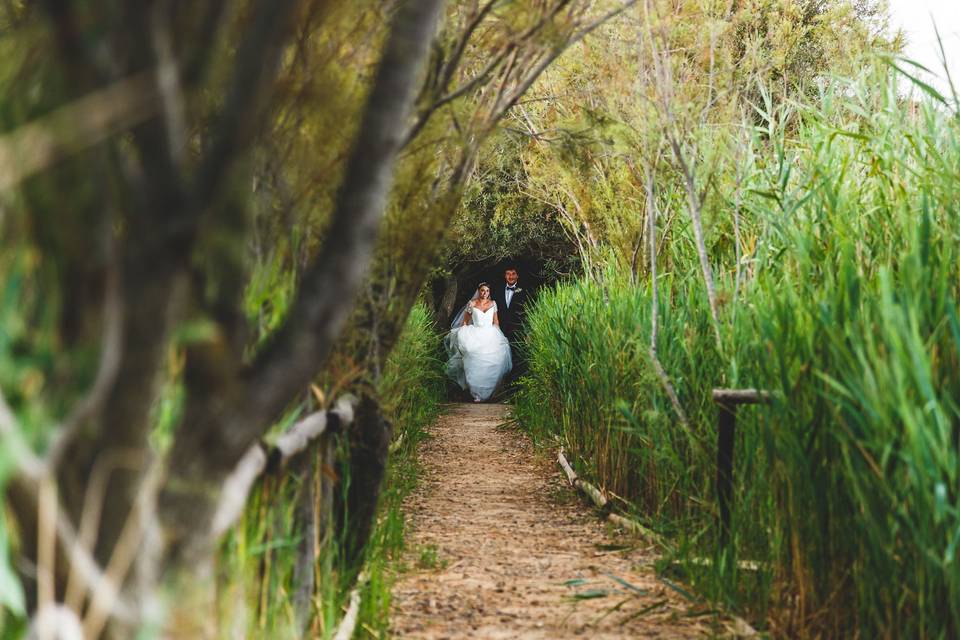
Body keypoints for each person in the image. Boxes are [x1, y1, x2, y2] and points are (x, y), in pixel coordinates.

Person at [446, 282, 512, 402]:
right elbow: (465, 322)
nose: (484, 293)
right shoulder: (472, 304)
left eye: (487, 291)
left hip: (490, 334)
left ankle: (488, 393)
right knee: (474, 360)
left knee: (494, 361)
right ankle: (476, 393)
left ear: (489, 292)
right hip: (475, 334)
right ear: (478, 291)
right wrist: (463, 334)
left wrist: (498, 335)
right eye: (482, 290)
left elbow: (496, 322)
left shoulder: (493, 304)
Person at [490, 265, 528, 364]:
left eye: (513, 274)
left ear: (517, 276)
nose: (510, 277)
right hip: (500, 329)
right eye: (508, 274)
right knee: (499, 355)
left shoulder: (524, 291)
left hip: (517, 330)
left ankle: (515, 377)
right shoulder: (497, 290)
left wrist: (526, 331)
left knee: (516, 356)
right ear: (505, 276)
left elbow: (528, 311)